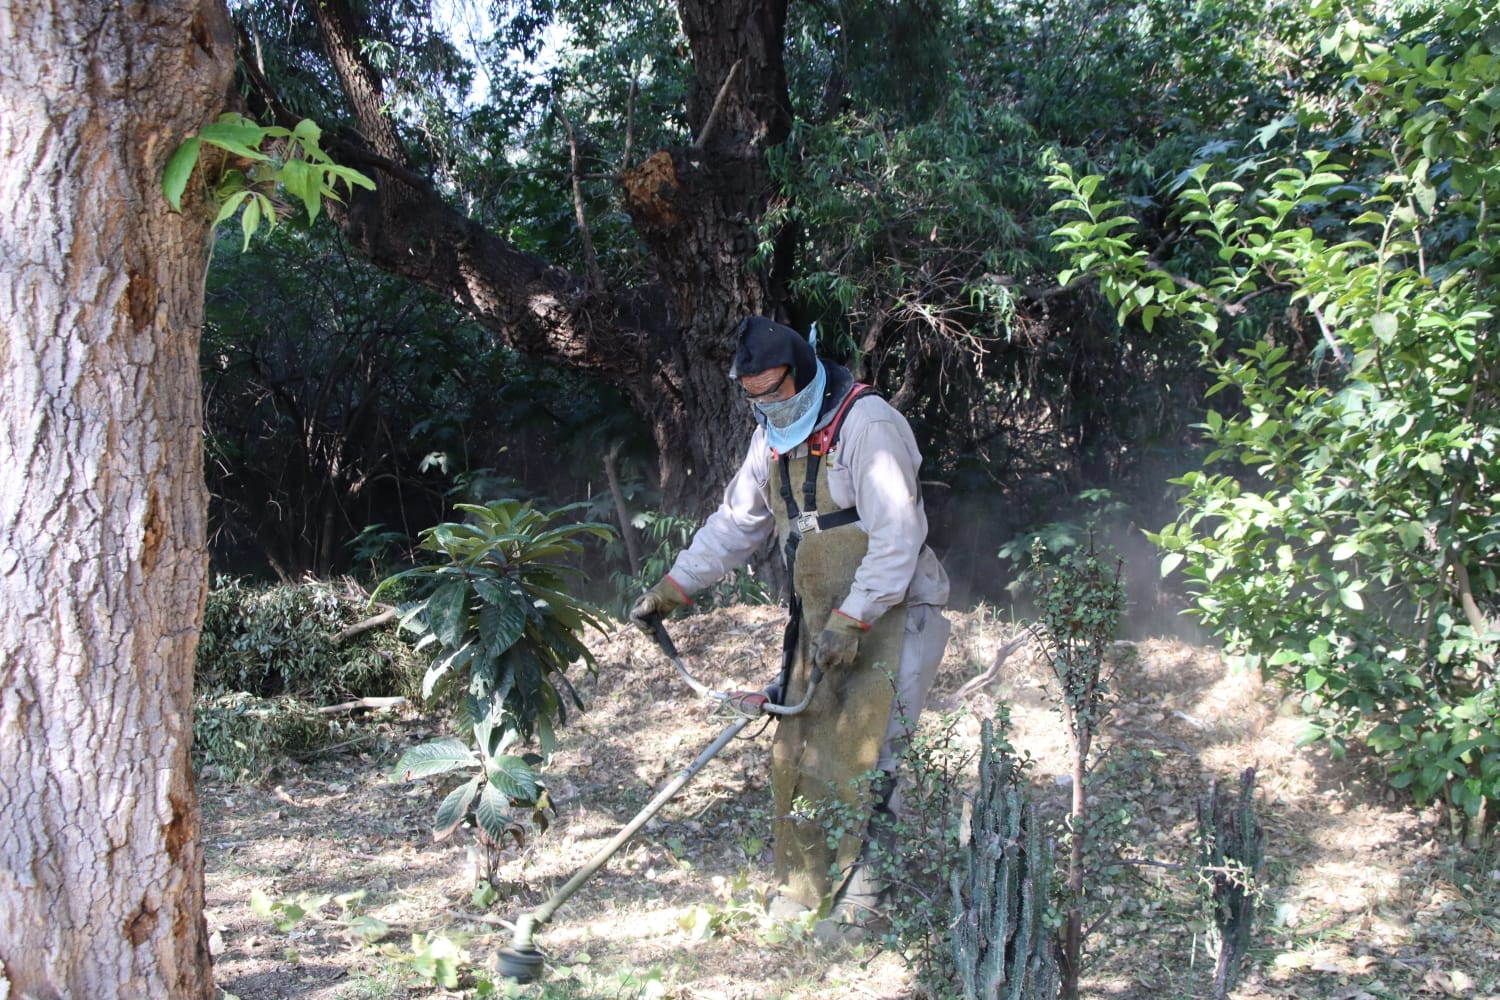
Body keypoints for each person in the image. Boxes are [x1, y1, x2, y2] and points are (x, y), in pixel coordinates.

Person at [628, 316, 951, 932]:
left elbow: (898, 538)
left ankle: (863, 898)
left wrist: (855, 618)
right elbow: (735, 524)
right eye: (756, 395)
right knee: (803, 748)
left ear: (803, 376)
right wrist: (675, 586)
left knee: (872, 751)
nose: (770, 404)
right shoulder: (771, 439)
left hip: (895, 613)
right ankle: (806, 888)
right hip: (820, 620)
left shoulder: (869, 424)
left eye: (778, 391)